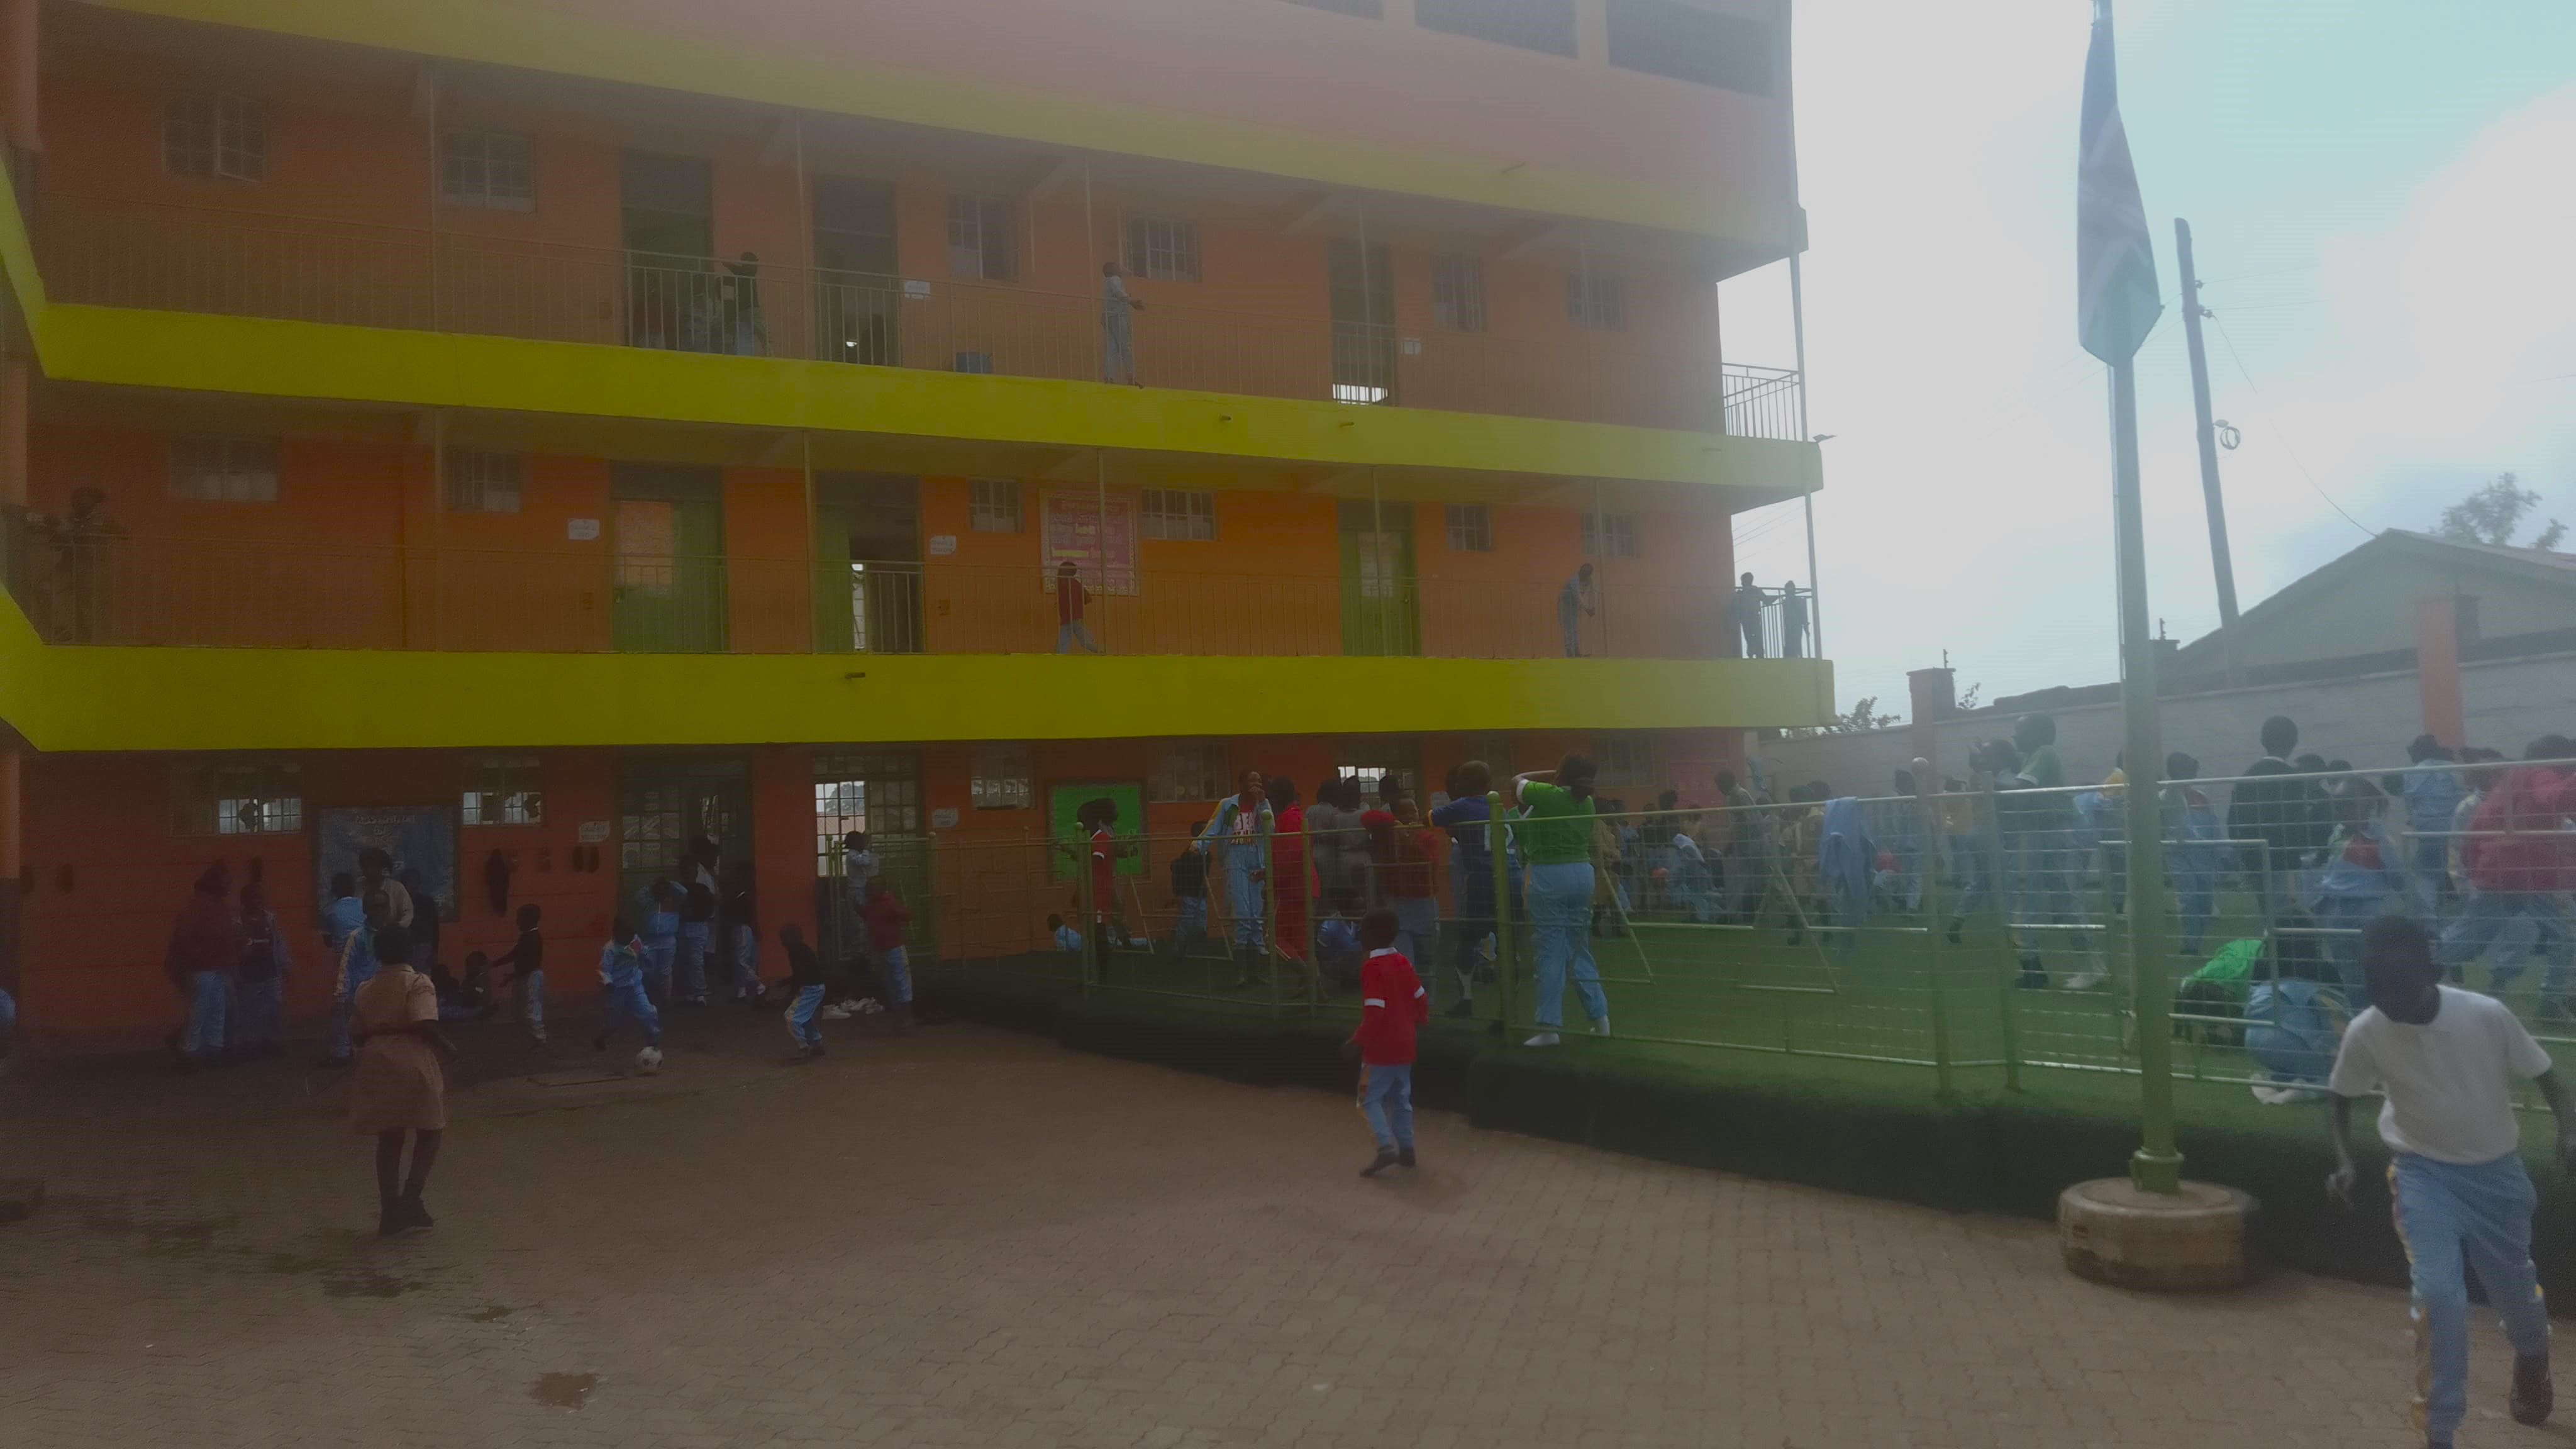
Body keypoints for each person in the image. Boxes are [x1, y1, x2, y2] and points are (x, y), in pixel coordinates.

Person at [2327, 915, 2568, 1449]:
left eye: (2401, 989)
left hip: (2496, 1176)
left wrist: (2567, 1131)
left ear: (2430, 975)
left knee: (2515, 1291)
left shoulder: (2486, 1015)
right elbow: (2340, 1099)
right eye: (2378, 991)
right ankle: (2438, 1434)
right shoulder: (2369, 1028)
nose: (2390, 1002)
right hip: (2422, 1174)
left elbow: (2550, 1078)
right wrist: (2345, 1162)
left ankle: (2532, 1354)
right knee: (2438, 1296)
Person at [2440, 736, 2576, 1023]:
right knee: (2566, 936)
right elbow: (2557, 797)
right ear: (2555, 758)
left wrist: (2475, 868)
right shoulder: (2541, 773)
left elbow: (2478, 826)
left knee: (2468, 935)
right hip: (2533, 874)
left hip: (2498, 872)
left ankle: (2420, 970)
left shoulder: (2507, 784)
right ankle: (2551, 1003)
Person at [347, 924, 456, 1238]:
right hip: (412, 1058)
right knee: (431, 1129)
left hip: (377, 1060)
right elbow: (423, 1022)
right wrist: (448, 1047)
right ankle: (412, 1196)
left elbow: (355, 1032)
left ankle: (389, 1210)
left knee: (390, 1139)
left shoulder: (366, 988)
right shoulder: (418, 983)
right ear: (410, 951)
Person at [1515, 754, 1609, 1046]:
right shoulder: (1588, 801)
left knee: (1550, 950)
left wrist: (1546, 770)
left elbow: (1516, 782)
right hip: (1583, 874)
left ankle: (1549, 1028)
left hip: (1549, 875)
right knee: (1580, 948)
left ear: (1562, 774)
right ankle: (1601, 1019)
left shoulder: (1549, 795)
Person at [1346, 909, 1428, 1177]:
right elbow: (1421, 996)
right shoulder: (1402, 960)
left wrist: (1358, 1040)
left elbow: (1375, 1011)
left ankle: (1384, 1148)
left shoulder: (1371, 967)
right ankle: (1407, 1149)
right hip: (1406, 1043)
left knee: (1367, 1099)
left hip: (1380, 1049)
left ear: (1369, 936)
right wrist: (1416, 1020)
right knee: (1401, 1098)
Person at [2313, 779, 2402, 1008]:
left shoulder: (2379, 841)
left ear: (2367, 806)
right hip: (2335, 913)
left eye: (2349, 805)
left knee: (2375, 972)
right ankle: (2357, 1021)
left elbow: (2401, 880)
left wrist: (2425, 917)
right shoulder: (2337, 835)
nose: (2343, 811)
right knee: (2348, 975)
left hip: (2367, 913)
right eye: (2339, 805)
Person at [2228, 715, 2329, 918]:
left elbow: (2233, 824)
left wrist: (2248, 858)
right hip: (2285, 862)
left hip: (2255, 860)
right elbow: (2297, 824)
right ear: (2294, 742)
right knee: (2291, 920)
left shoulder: (2246, 778)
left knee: (2269, 919)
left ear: (2262, 741)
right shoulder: (2291, 778)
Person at [1430, 762, 1496, 1018]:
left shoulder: (1463, 806)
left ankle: (1467, 998)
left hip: (1477, 875)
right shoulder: (1496, 806)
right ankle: (1503, 1004)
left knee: (1467, 931)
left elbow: (1431, 820)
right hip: (1504, 873)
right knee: (1501, 930)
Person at [1201, 771, 1274, 985]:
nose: (1256, 785)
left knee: (1256, 917)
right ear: (1240, 783)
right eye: (1252, 781)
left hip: (1256, 860)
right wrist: (1199, 845)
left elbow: (1271, 829)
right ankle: (1241, 974)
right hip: (1235, 859)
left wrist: (1262, 804)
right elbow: (1213, 827)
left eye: (1259, 781)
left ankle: (1255, 973)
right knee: (1242, 914)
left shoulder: (1263, 804)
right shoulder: (1229, 805)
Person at [166, 863, 238, 1071]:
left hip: (211, 967)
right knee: (205, 1011)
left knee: (214, 1010)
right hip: (203, 967)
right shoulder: (203, 907)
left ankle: (205, 1050)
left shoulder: (209, 906)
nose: (229, 886)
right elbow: (188, 939)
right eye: (226, 882)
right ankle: (195, 1051)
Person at [2393, 735, 2465, 921]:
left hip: (2428, 830)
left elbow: (2410, 804)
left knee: (2427, 875)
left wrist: (2416, 822)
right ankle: (2468, 914)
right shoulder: (2453, 769)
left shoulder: (2412, 773)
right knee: (2461, 870)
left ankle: (2428, 919)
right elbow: (2463, 796)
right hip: (2454, 828)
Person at [2163, 752, 2223, 958]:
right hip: (2179, 855)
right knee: (2188, 899)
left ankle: (2195, 938)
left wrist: (2221, 850)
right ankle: (2190, 945)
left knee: (2205, 902)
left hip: (2204, 854)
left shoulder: (2201, 795)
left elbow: (2213, 824)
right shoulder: (2164, 796)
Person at [325, 891, 389, 1067]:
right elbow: (346, 967)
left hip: (388, 995)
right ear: (365, 910)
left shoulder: (394, 935)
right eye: (375, 907)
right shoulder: (357, 937)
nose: (379, 911)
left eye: (384, 906)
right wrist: (341, 994)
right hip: (362, 997)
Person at [231, 880, 289, 1060]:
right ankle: (248, 1045)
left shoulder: (270, 919)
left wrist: (285, 963)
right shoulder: (238, 922)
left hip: (270, 971)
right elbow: (235, 949)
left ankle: (269, 1041)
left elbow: (279, 942)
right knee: (249, 1010)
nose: (258, 901)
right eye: (253, 898)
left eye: (260, 898)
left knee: (273, 1007)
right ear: (245, 901)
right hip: (249, 974)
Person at [592, 916, 662, 1056]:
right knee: (613, 1023)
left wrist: (647, 961)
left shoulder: (634, 941)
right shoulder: (610, 949)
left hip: (635, 986)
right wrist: (608, 983)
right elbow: (604, 970)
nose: (629, 939)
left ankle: (653, 1043)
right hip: (616, 990)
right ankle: (601, 1038)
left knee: (648, 1014)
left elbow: (642, 952)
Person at [1269, 779, 1311, 980]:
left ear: (1277, 798)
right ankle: (1314, 990)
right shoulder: (1294, 816)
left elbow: (1291, 854)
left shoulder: (1288, 818)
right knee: (1300, 942)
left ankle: (1310, 979)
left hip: (1292, 887)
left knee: (1272, 938)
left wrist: (1273, 880)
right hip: (1300, 885)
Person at [862, 878, 915, 1030]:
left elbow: (906, 915)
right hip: (889, 948)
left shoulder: (878, 905)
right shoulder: (883, 903)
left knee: (897, 981)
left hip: (889, 949)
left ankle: (904, 1016)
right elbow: (907, 915)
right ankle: (903, 1017)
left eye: (871, 888)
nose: (869, 891)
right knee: (896, 981)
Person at [492, 902, 547, 1047]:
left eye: (520, 919)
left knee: (531, 1009)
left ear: (529, 920)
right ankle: (536, 1039)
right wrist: (494, 964)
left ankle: (540, 1039)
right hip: (525, 976)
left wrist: (511, 976)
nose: (517, 922)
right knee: (520, 1010)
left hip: (531, 977)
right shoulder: (527, 937)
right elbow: (514, 955)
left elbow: (528, 963)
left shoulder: (533, 938)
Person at [779, 922, 828, 1060]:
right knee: (804, 1017)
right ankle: (817, 1044)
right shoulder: (803, 950)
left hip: (809, 988)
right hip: (815, 987)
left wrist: (791, 992)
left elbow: (801, 975)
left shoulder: (796, 953)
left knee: (791, 1017)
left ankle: (803, 1046)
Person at [636, 880, 682, 1008]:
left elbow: (685, 892)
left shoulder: (674, 903)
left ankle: (665, 1000)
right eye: (659, 890)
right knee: (647, 970)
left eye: (664, 890)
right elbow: (639, 895)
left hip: (668, 939)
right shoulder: (648, 904)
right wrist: (652, 886)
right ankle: (650, 997)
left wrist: (671, 883)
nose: (661, 893)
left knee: (665, 971)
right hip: (649, 940)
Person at [1168, 822, 1211, 954]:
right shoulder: (1189, 854)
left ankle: (1189, 948)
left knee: (1201, 926)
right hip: (1189, 894)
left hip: (1200, 894)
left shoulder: (1206, 853)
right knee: (1186, 924)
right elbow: (1177, 868)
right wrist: (1178, 893)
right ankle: (1179, 951)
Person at [1100, 258, 1144, 386]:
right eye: (1116, 267)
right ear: (1112, 270)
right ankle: (1131, 378)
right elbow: (1118, 292)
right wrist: (1131, 301)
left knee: (1112, 349)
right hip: (1118, 316)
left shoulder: (1106, 282)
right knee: (1126, 347)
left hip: (1108, 317)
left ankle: (1109, 377)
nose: (1119, 269)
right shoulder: (1115, 279)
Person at [675, 877, 716, 1008]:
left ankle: (700, 994)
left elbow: (711, 905)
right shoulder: (679, 888)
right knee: (685, 960)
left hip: (698, 925)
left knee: (696, 961)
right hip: (684, 925)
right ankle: (689, 994)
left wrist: (701, 914)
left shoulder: (702, 889)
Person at [359, 848, 414, 931]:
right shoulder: (358, 887)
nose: (368, 871)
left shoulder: (397, 888)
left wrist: (395, 929)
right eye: (365, 867)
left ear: (384, 869)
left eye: (373, 867)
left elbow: (408, 914)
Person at [1055, 560, 1104, 653]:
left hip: (1071, 615)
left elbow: (1086, 597)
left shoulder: (1063, 582)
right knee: (1074, 635)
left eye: (1061, 569)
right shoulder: (1075, 583)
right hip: (1072, 615)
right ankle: (1098, 649)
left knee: (1079, 636)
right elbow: (1088, 598)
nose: (1059, 571)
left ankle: (1098, 649)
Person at [433, 951, 496, 1021]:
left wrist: (474, 988)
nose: (468, 968)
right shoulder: (469, 979)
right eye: (468, 965)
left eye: (471, 965)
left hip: (476, 1007)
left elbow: (483, 991)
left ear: (479, 966)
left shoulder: (483, 979)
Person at [1557, 563, 1596, 657]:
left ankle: (1577, 652)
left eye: (1587, 573)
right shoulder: (1574, 579)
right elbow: (1578, 596)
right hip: (1564, 604)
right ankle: (1570, 652)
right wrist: (1587, 609)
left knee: (1574, 628)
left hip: (1574, 605)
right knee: (1568, 629)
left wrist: (1593, 606)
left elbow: (1593, 592)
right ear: (1580, 571)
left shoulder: (1590, 579)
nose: (1584, 575)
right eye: (1583, 572)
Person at [1729, 572, 1767, 658]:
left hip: (1749, 616)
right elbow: (1767, 601)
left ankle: (1755, 653)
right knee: (1752, 636)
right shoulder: (1745, 592)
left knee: (1752, 635)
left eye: (1743, 581)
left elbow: (1766, 600)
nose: (1742, 583)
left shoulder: (1751, 591)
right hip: (1749, 616)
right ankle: (1756, 653)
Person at [1779, 581, 1808, 659]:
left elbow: (1803, 613)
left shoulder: (1798, 601)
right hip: (1790, 626)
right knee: (1791, 642)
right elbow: (1803, 613)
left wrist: (1805, 625)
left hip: (1796, 625)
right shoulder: (1787, 601)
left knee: (1796, 642)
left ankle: (1798, 656)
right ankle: (1793, 656)